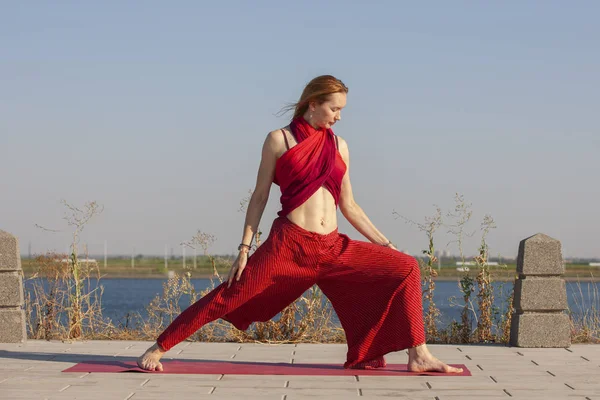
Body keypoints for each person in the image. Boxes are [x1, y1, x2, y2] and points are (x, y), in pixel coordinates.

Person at [138, 75, 462, 374]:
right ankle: (159, 347)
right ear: (313, 104)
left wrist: (386, 245)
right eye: (334, 108)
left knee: (406, 267)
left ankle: (418, 354)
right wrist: (244, 248)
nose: (339, 116)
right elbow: (260, 196)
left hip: (333, 248)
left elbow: (349, 205)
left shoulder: (339, 146)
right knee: (230, 293)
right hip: (289, 246)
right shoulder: (279, 139)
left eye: (342, 110)